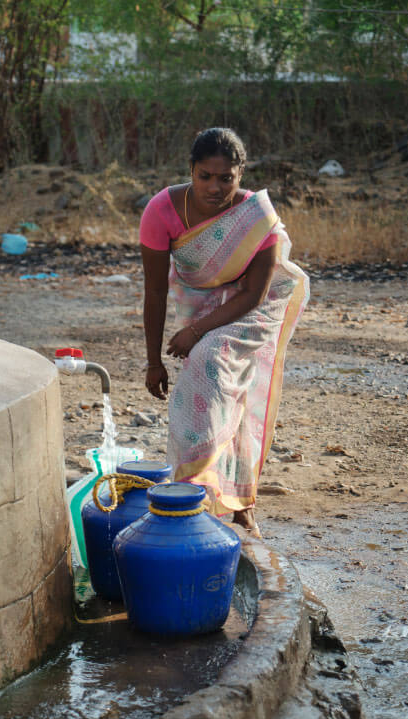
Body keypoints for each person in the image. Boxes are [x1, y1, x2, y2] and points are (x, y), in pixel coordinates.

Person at [139, 127, 309, 538]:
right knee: (228, 396)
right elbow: (155, 289)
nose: (215, 188)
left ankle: (195, 488)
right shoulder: (161, 211)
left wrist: (195, 332)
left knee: (208, 362)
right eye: (205, 177)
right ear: (191, 171)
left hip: (258, 305)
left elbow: (253, 293)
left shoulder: (256, 218)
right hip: (203, 298)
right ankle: (236, 500)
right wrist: (153, 361)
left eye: (226, 178)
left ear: (241, 174)